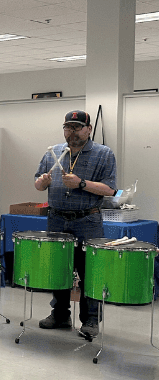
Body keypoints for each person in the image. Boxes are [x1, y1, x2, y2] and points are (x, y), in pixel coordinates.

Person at [33, 109, 117, 337]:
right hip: (57, 218)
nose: (71, 132)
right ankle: (59, 314)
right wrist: (42, 182)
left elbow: (110, 189)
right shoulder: (54, 152)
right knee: (58, 268)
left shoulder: (103, 154)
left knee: (90, 271)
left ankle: (90, 320)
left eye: (77, 127)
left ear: (88, 129)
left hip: (87, 220)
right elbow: (38, 183)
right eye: (68, 127)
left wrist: (81, 184)